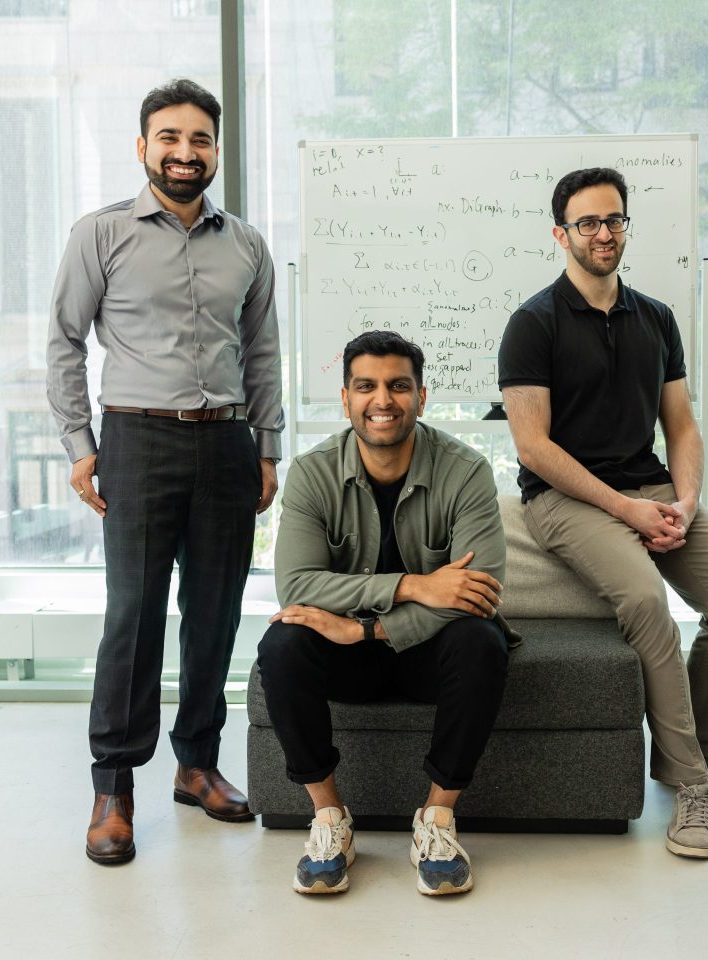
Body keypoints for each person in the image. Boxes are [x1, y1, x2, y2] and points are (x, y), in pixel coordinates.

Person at [497, 167, 708, 860]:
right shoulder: (532, 323)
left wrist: (685, 501)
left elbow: (681, 424)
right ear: (561, 234)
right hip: (564, 500)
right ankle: (689, 784)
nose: (603, 233)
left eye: (613, 219)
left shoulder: (656, 318)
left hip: (653, 490)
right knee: (648, 602)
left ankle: (699, 744)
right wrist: (627, 510)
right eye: (587, 222)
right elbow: (533, 446)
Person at [46, 78, 284, 865]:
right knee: (135, 617)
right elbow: (63, 341)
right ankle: (113, 787)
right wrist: (80, 444)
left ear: (216, 150)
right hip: (137, 439)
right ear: (143, 147)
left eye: (200, 139)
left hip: (226, 443)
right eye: (170, 138)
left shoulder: (246, 245)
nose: (186, 152)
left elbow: (262, 352)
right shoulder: (101, 234)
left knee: (214, 615)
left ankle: (197, 765)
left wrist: (267, 447)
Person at [257, 330, 511, 896]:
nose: (382, 400)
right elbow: (297, 585)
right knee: (282, 643)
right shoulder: (313, 472)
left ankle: (437, 820)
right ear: (345, 397)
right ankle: (330, 819)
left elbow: (480, 593)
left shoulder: (466, 470)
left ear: (421, 396)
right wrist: (416, 585)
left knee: (482, 639)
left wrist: (365, 627)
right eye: (366, 386)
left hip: (429, 656)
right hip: (346, 661)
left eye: (398, 386)